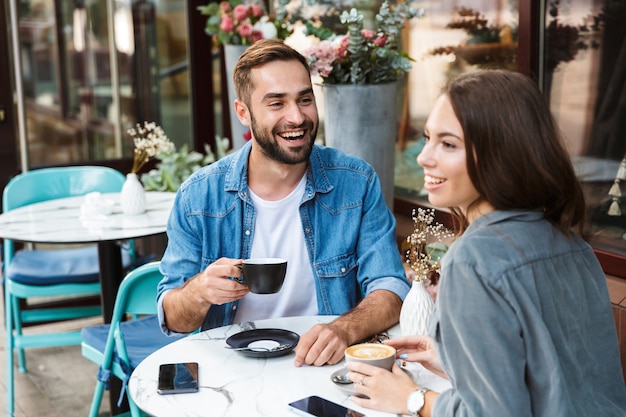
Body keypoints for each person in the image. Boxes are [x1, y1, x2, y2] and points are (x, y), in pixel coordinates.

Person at [346, 69, 626, 416]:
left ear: (501, 154)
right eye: (428, 137)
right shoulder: (573, 244)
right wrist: (455, 360)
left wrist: (411, 398)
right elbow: (563, 380)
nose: (424, 157)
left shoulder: (473, 261)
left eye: (448, 144)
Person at [156, 39, 411, 367]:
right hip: (230, 370)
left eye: (305, 99)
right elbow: (174, 318)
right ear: (243, 113)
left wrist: (344, 330)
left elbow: (390, 286)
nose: (297, 117)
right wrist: (200, 291)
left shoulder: (356, 182)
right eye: (276, 103)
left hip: (325, 365)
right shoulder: (199, 196)